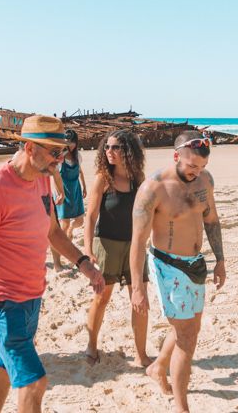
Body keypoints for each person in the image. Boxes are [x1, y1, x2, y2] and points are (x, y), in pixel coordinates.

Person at [0, 115, 105, 413]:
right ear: (30, 148)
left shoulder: (42, 180)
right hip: (2, 302)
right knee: (35, 382)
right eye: (54, 152)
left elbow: (53, 232)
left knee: (4, 364)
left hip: (31, 296)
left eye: (63, 152)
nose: (59, 160)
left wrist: (83, 263)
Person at [129, 130, 227, 413]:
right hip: (168, 266)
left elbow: (211, 220)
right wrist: (138, 287)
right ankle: (181, 407)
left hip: (196, 263)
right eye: (192, 166)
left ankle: (158, 367)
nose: (196, 172)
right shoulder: (153, 189)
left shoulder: (205, 180)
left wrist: (220, 259)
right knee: (187, 337)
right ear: (176, 156)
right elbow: (137, 242)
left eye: (202, 167)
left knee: (190, 326)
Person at [83, 130, 151, 366]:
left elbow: (146, 211)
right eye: (107, 148)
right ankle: (91, 345)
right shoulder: (103, 178)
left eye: (115, 148)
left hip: (134, 246)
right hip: (107, 245)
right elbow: (90, 217)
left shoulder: (138, 177)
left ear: (128, 151)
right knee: (102, 298)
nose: (109, 152)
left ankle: (141, 354)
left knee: (140, 299)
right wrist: (88, 249)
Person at [51, 129, 87, 272]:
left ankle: (71, 232)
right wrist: (59, 193)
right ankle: (57, 263)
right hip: (63, 192)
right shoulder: (61, 156)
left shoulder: (78, 155)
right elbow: (55, 175)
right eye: (67, 142)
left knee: (80, 220)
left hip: (76, 190)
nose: (70, 145)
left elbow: (80, 171)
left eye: (72, 142)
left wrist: (84, 186)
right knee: (62, 227)